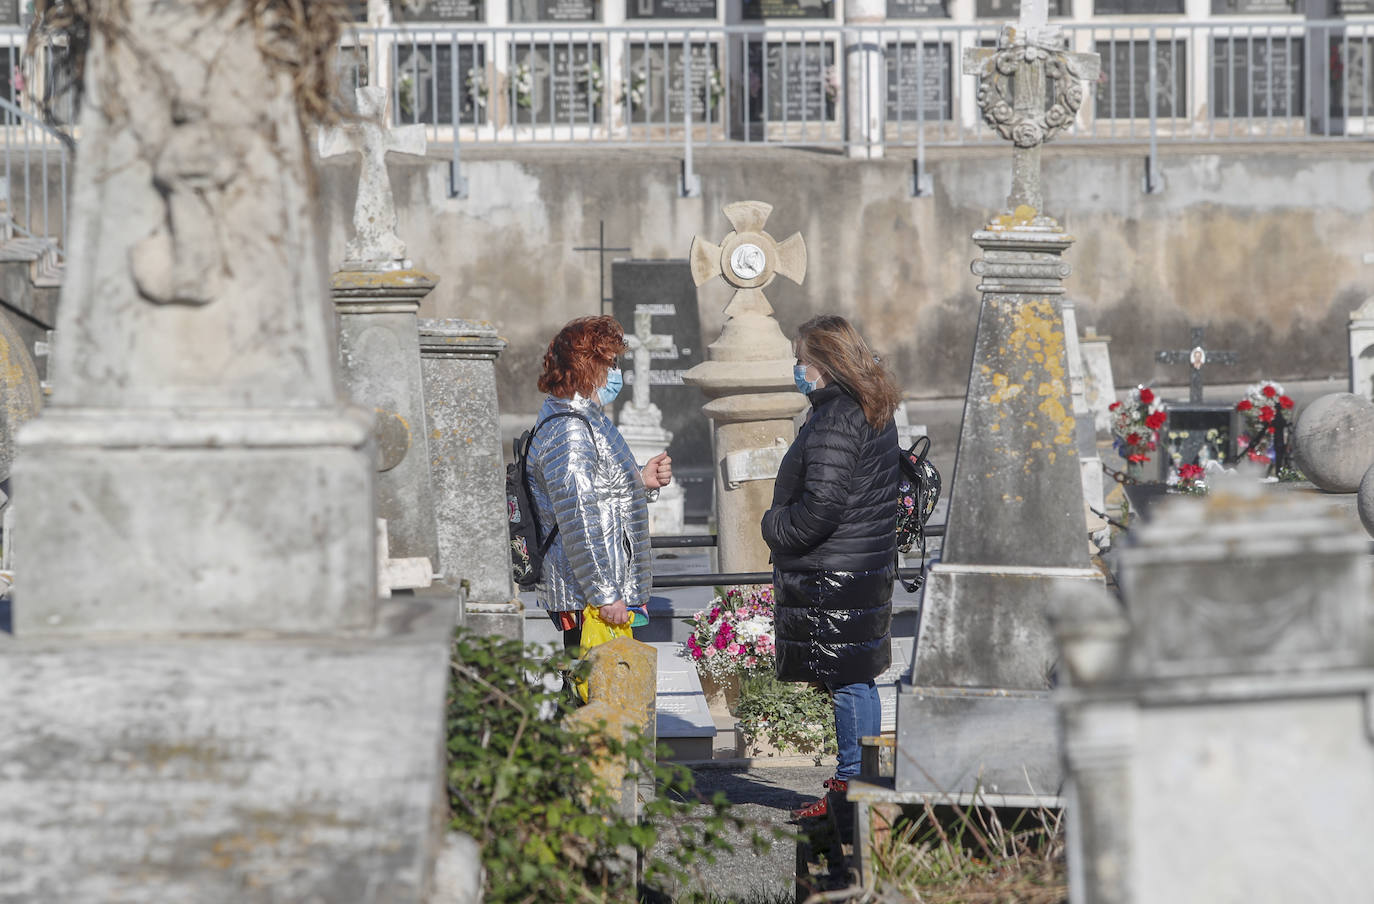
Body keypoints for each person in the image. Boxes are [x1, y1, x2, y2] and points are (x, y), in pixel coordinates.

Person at [761, 314, 901, 822]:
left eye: (800, 361)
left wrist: (775, 527)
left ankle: (849, 790)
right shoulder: (869, 404)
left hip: (834, 572)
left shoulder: (837, 415)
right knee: (859, 679)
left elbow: (822, 506)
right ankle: (866, 782)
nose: (796, 370)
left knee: (846, 682)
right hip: (862, 564)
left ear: (824, 364)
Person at [527, 315, 673, 650]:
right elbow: (579, 517)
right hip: (588, 597)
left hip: (595, 589)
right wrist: (606, 595)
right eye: (610, 362)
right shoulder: (570, 430)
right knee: (593, 690)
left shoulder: (583, 418)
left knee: (599, 690)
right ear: (586, 367)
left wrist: (640, 479)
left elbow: (598, 489)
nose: (616, 372)